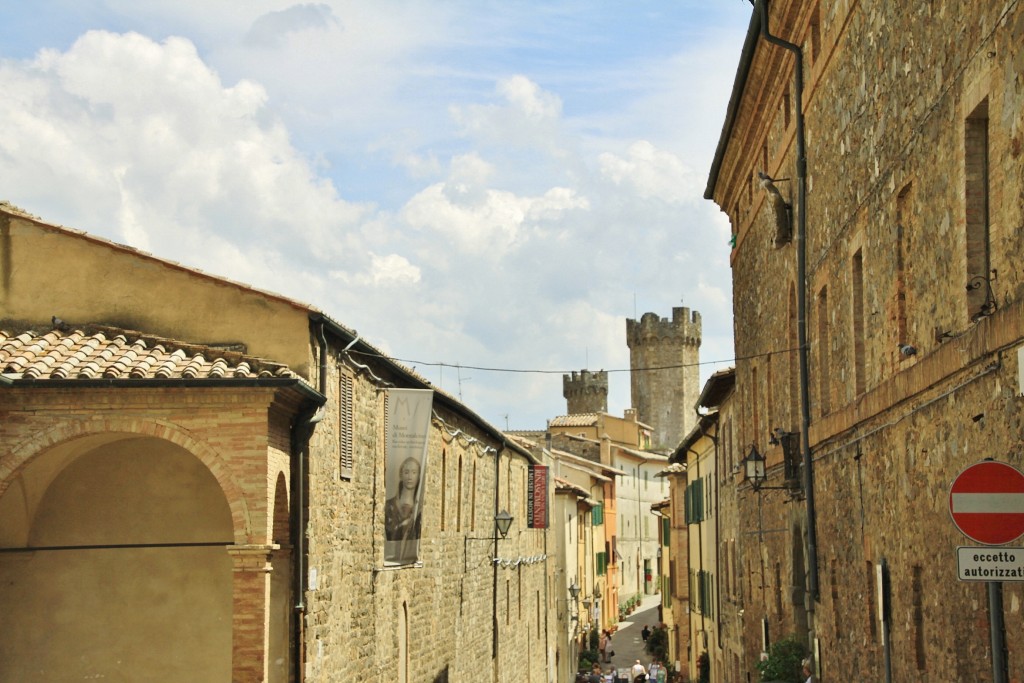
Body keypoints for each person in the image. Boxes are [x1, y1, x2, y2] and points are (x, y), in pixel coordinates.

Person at [385, 457, 423, 541]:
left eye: (414, 472)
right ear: (401, 475)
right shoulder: (389, 505)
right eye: (406, 472)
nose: (410, 477)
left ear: (418, 476)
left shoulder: (421, 507)